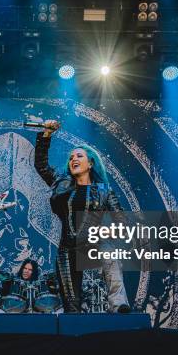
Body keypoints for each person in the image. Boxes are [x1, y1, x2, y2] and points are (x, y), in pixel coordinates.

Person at [33, 120, 131, 313]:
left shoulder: (103, 191)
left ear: (90, 163)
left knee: (109, 250)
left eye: (79, 156)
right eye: (71, 158)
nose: (73, 159)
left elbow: (122, 221)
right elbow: (41, 165)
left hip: (94, 244)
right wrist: (46, 134)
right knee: (72, 304)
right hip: (68, 247)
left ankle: (118, 304)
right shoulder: (61, 182)